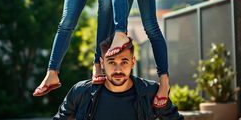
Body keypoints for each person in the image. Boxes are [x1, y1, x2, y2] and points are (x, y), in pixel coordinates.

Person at [53, 35, 183, 120]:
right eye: (111, 62)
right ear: (102, 63)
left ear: (133, 62)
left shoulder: (151, 92)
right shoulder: (81, 92)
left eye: (124, 62)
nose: (118, 70)